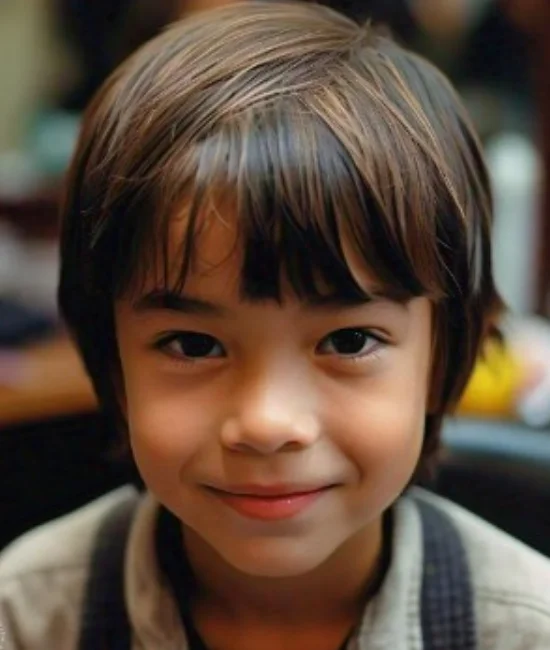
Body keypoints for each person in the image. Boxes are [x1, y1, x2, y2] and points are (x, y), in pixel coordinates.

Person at [1, 2, 549, 648]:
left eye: (348, 341)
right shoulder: (30, 619)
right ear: (113, 360)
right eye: (193, 344)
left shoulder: (520, 629)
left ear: (442, 354)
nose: (266, 424)